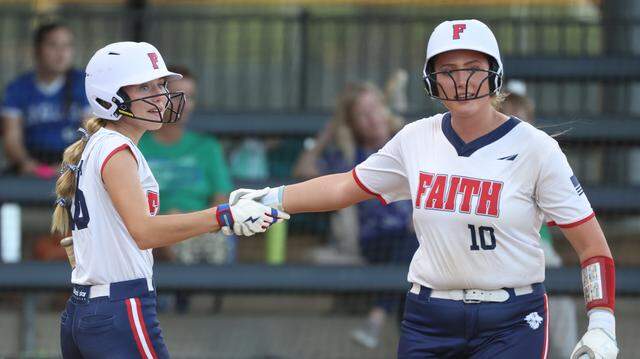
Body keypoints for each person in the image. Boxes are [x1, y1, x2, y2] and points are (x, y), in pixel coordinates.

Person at [227, 19, 619, 358]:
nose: (461, 80)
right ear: (432, 80)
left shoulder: (537, 148)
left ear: (494, 73)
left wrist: (602, 322)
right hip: (429, 315)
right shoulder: (415, 138)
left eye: (472, 67)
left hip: (512, 319)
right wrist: (272, 199)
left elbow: (593, 248)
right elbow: (345, 186)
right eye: (447, 70)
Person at [51, 41, 287, 358]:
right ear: (110, 95)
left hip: (90, 306)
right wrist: (224, 216)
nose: (161, 95)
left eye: (161, 84)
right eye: (145, 86)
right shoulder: (116, 150)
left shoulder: (101, 143)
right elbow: (144, 232)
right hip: (120, 305)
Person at [292, 82, 417, 349]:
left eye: (376, 108)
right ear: (353, 124)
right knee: (411, 254)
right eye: (363, 114)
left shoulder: (410, 143)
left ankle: (377, 316)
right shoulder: (351, 157)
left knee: (413, 257)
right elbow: (303, 170)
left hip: (418, 237)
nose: (373, 118)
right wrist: (328, 133)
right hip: (377, 241)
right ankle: (384, 321)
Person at [139, 65, 235, 313]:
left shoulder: (207, 147)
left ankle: (179, 303)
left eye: (190, 97)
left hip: (198, 229)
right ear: (158, 97)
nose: (185, 103)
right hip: (151, 231)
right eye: (177, 95)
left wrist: (187, 224)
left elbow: (220, 200)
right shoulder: (136, 144)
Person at [501, 80, 579, 359]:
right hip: (496, 251)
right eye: (508, 112)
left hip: (538, 251)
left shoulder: (542, 155)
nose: (515, 118)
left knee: (552, 269)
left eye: (521, 113)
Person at [1, 22, 90, 178]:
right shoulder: (17, 88)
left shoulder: (84, 84)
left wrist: (69, 164)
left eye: (67, 46)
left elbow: (90, 135)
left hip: (74, 163)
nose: (61, 53)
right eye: (53, 45)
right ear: (37, 50)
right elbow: (11, 138)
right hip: (28, 163)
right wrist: (26, 164)